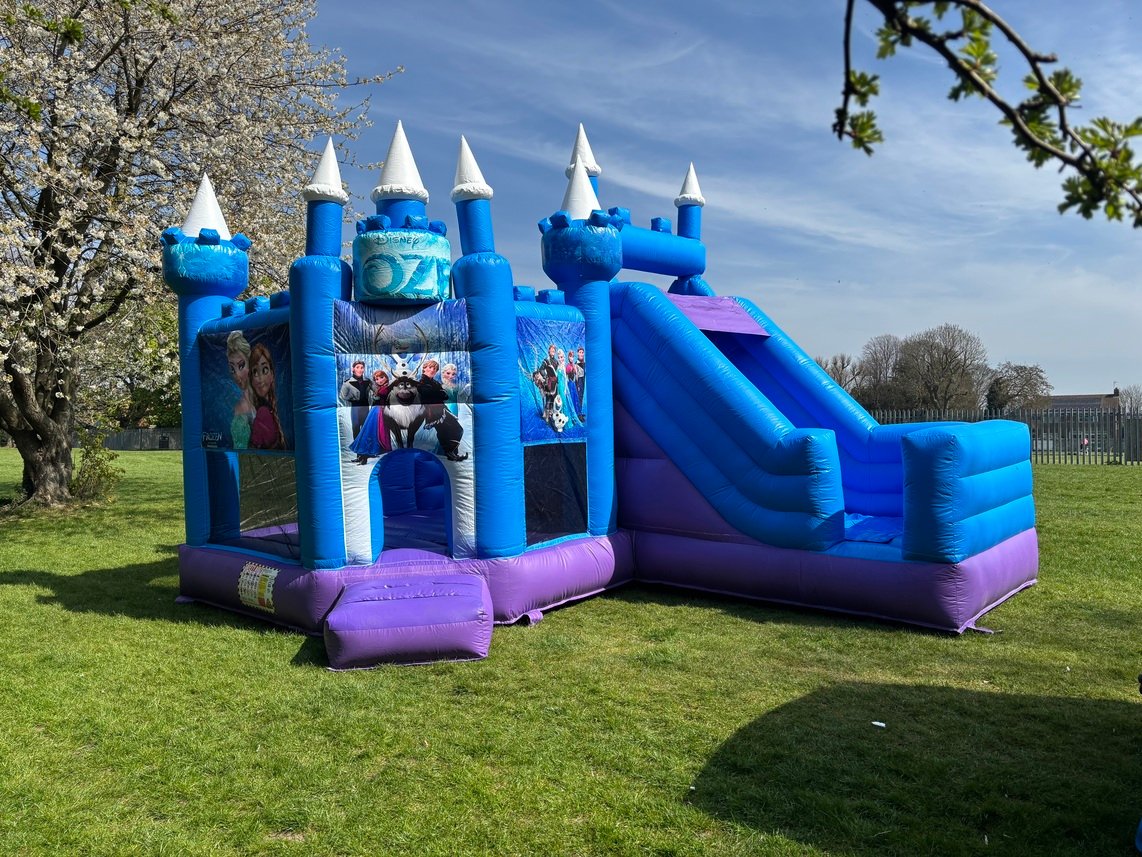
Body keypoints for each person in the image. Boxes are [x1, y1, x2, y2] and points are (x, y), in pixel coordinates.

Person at [249, 342, 286, 450]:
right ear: (251, 380)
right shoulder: (262, 412)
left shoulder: (277, 409)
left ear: (272, 374)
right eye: (255, 372)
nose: (260, 379)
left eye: (264, 370)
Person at [350, 369, 391, 464]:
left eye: (382, 377)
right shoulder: (379, 387)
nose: (379, 380)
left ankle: (364, 457)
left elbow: (386, 399)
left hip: (380, 413)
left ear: (386, 377)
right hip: (374, 411)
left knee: (369, 433)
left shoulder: (387, 387)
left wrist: (378, 398)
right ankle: (361, 456)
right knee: (366, 433)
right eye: (377, 379)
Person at [226, 330, 256, 449]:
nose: (237, 375)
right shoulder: (241, 406)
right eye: (232, 369)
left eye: (241, 366)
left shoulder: (263, 395)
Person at [340, 359, 371, 440]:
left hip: (365, 406)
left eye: (362, 367)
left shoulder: (367, 381)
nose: (360, 370)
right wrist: (352, 398)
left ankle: (366, 447)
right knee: (356, 426)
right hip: (355, 407)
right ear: (353, 369)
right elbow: (342, 396)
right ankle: (357, 449)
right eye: (357, 367)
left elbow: (375, 391)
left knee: (366, 427)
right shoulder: (347, 383)